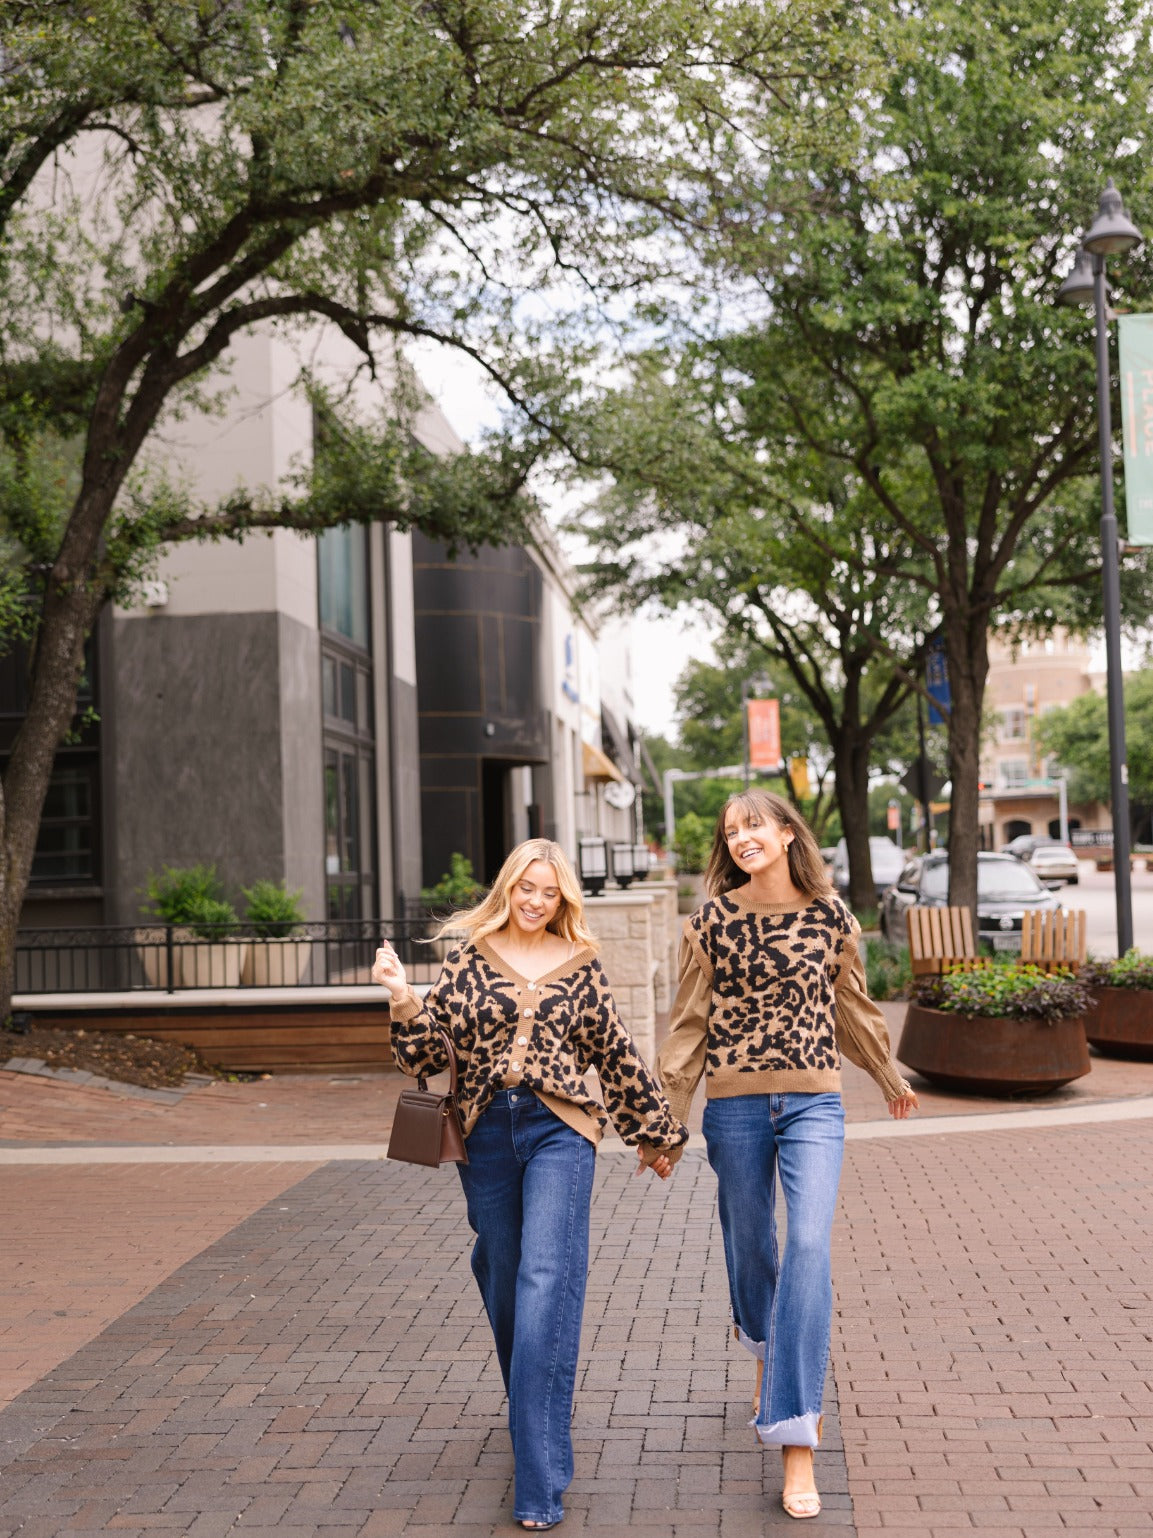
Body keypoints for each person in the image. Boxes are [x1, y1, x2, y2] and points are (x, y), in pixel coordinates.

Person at [372, 837, 687, 1531]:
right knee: (502, 1270)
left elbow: (616, 1052)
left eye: (549, 892)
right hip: (484, 1133)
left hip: (560, 1129)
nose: (536, 902)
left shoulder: (580, 964)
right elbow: (424, 1056)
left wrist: (655, 1133)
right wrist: (401, 997)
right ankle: (534, 1402)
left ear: (562, 897)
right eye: (526, 888)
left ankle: (538, 1479)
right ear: (507, 889)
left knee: (547, 1277)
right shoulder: (468, 960)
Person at [656, 790, 918, 1521]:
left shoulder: (831, 915)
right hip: (734, 1106)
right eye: (730, 831)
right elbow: (688, 1026)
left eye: (753, 825)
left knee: (807, 1245)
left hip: (813, 1104)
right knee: (749, 1243)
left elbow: (851, 1007)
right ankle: (769, 1348)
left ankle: (795, 1433)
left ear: (785, 834)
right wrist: (666, 1120)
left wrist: (887, 1075)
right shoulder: (710, 922)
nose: (742, 837)